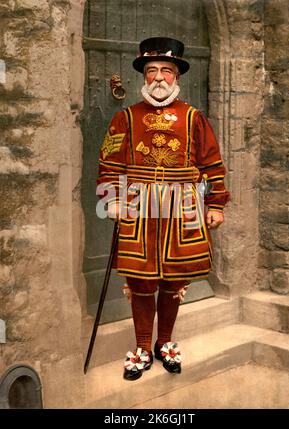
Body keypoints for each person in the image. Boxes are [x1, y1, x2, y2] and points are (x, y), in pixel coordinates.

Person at [97, 37, 230, 381]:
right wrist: (112, 198)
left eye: (166, 71)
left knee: (173, 280)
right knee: (141, 280)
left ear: (177, 77)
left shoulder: (194, 118)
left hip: (183, 205)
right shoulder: (124, 117)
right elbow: (109, 163)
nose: (158, 78)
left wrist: (215, 203)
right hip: (139, 205)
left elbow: (213, 165)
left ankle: (165, 342)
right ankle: (142, 347)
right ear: (143, 75)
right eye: (152, 70)